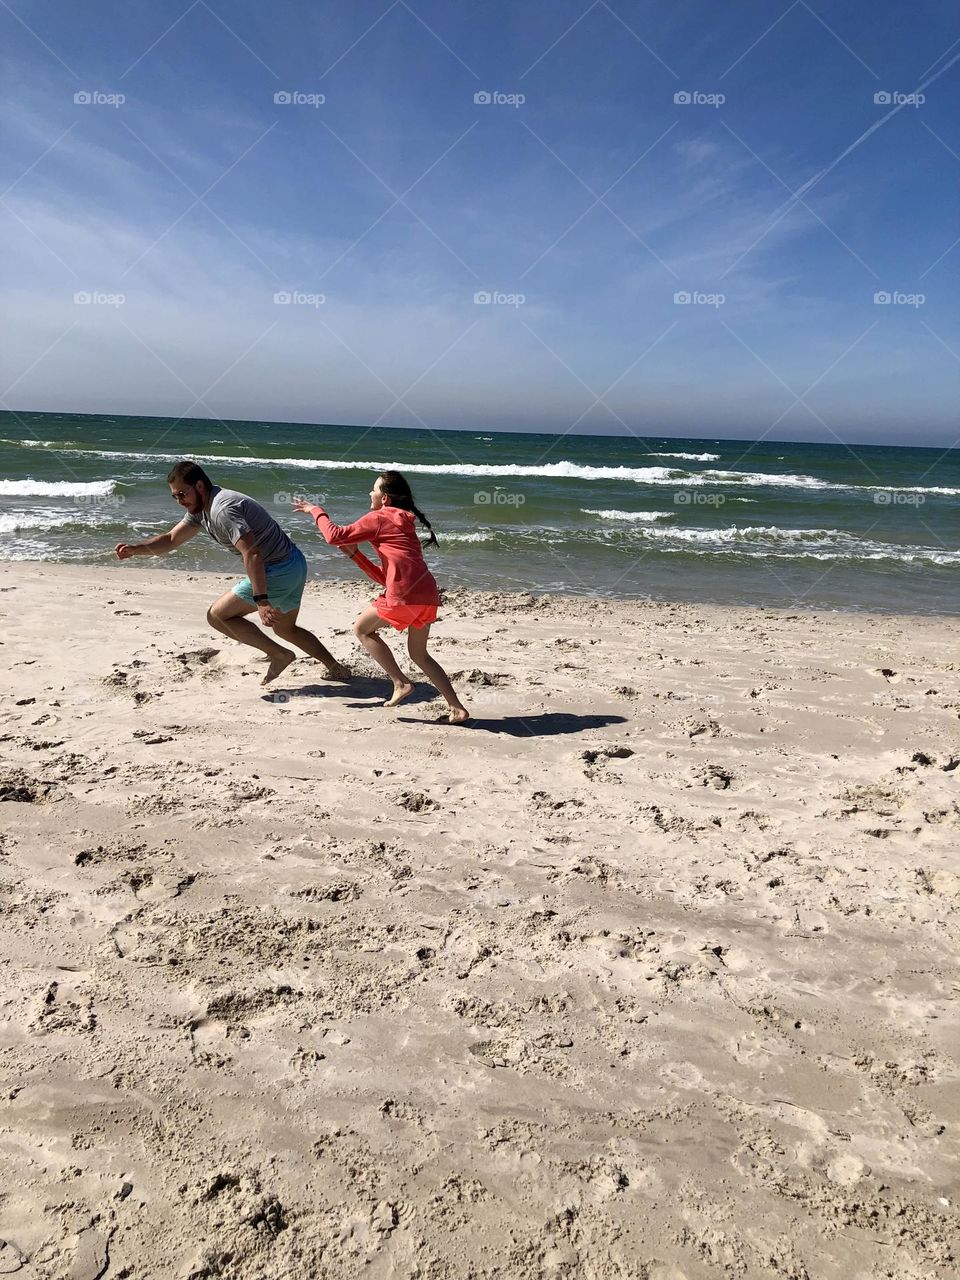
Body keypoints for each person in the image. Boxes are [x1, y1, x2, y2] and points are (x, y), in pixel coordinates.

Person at [115, 461, 350, 687]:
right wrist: (137, 549)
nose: (179, 501)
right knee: (285, 629)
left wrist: (262, 600)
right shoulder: (201, 508)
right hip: (294, 564)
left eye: (182, 494)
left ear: (199, 486)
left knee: (217, 615)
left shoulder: (222, 509)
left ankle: (279, 655)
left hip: (276, 569)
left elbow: (252, 553)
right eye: (174, 496)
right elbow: (171, 540)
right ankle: (336, 668)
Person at [293, 471, 469, 723]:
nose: (369, 493)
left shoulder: (378, 518)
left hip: (405, 594)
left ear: (384, 498)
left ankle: (400, 682)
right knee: (420, 654)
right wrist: (355, 556)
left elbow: (333, 536)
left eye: (373, 489)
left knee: (362, 629)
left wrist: (315, 509)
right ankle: (457, 708)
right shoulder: (404, 523)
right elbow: (386, 578)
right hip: (427, 593)